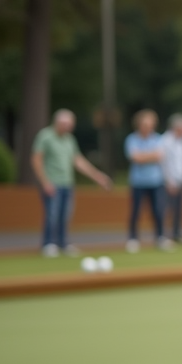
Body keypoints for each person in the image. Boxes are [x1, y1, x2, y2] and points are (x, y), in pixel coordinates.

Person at [30, 109, 112, 257]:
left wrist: (97, 176)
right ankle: (48, 244)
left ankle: (63, 243)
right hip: (52, 183)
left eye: (70, 124)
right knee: (52, 214)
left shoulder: (69, 139)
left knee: (65, 215)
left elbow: (78, 160)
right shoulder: (45, 136)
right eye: (65, 123)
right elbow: (36, 160)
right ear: (57, 122)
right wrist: (45, 182)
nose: (67, 127)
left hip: (67, 183)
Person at [124, 109, 171, 252]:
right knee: (135, 211)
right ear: (139, 124)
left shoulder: (158, 139)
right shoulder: (131, 139)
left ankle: (160, 237)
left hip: (156, 181)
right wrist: (150, 156)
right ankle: (133, 239)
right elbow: (135, 158)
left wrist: (143, 157)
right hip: (138, 182)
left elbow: (159, 156)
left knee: (158, 210)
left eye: (150, 124)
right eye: (145, 124)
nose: (147, 127)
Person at [160, 114, 182, 243]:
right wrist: (169, 181)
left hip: (181, 179)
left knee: (179, 208)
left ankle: (176, 233)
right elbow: (164, 162)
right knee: (167, 208)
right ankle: (163, 234)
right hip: (169, 181)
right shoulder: (166, 141)